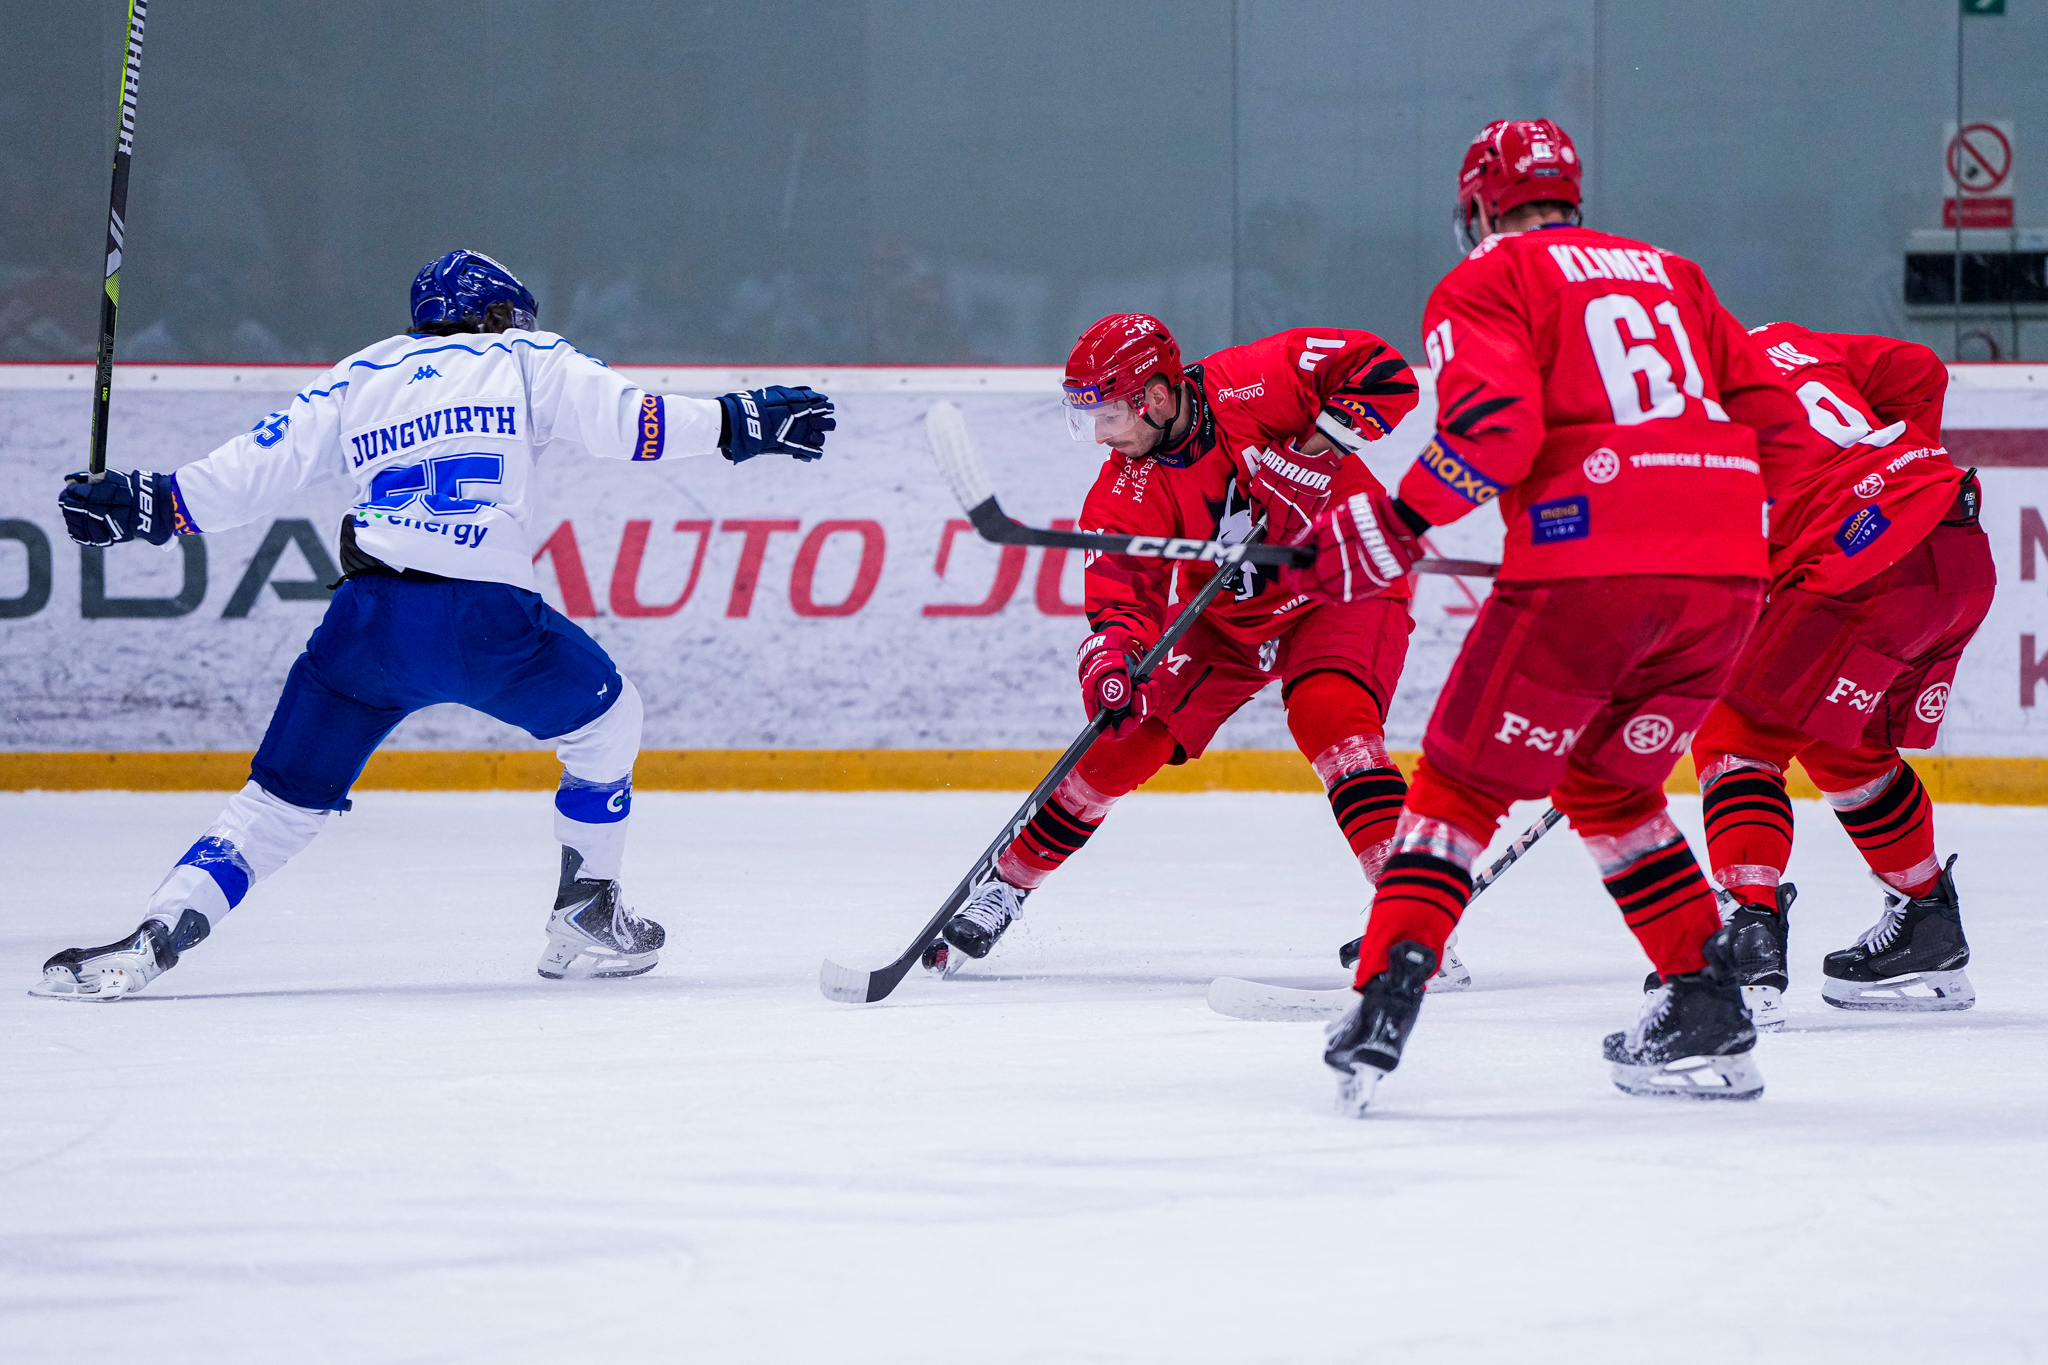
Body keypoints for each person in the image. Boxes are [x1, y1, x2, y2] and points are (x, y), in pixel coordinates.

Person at [34, 249, 836, 1000]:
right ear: (496, 315)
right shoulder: (525, 358)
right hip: (486, 620)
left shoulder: (359, 375)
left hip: (369, 623)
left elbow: (250, 471)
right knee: (609, 718)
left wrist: (144, 504)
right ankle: (587, 907)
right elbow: (634, 422)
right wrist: (738, 421)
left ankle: (156, 934)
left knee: (277, 802)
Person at [1285, 119, 1810, 1111]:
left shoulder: (1488, 276)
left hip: (1584, 575)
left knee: (1457, 786)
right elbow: (1784, 436)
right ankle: (1702, 999)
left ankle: (1381, 999)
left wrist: (1397, 521)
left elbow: (1494, 431)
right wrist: (1688, 518)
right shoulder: (1676, 275)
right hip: (1725, 581)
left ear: (1477, 207)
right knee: (1609, 788)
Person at [922, 312, 1423, 976]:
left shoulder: (1256, 380)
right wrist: (1114, 660)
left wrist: (1315, 452)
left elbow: (1386, 373)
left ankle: (1412, 919)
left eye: (1109, 416)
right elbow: (1120, 602)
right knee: (1119, 744)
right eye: (1088, 418)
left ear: (1156, 397)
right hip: (1228, 618)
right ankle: (1006, 885)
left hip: (1343, 582)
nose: (1101, 434)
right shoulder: (1121, 491)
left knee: (1329, 715)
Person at [1689, 322, 1993, 1022]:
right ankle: (1927, 922)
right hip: (1952, 538)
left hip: (1863, 572)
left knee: (1737, 732)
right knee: (1840, 737)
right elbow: (1920, 369)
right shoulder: (1783, 340)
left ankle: (1748, 934)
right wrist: (1891, 491)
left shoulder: (1667, 413)